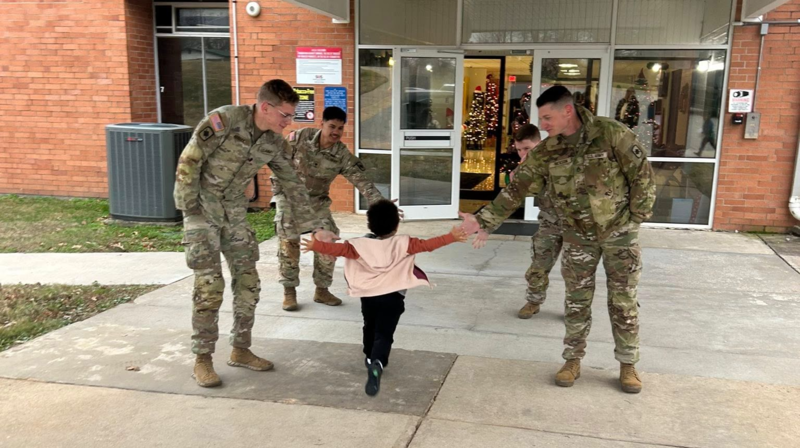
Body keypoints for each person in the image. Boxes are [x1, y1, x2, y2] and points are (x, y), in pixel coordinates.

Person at [459, 86, 655, 394]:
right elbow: (517, 188)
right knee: (576, 301)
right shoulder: (548, 149)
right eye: (541, 119)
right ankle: (572, 360)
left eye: (547, 117)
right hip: (578, 236)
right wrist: (484, 220)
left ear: (568, 110)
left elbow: (641, 175)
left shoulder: (611, 133)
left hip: (619, 234)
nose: (544, 125)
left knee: (623, 301)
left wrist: (636, 218)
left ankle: (628, 364)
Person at [174, 79, 337, 388]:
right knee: (210, 287)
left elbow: (292, 183)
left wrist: (316, 226)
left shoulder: (275, 142)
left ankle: (240, 349)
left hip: (235, 214)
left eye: (291, 116)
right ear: (265, 107)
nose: (289, 122)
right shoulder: (224, 121)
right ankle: (203, 359)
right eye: (285, 115)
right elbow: (190, 159)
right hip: (202, 211)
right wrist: (188, 209)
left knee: (249, 282)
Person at [300, 199, 468, 396]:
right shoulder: (405, 243)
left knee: (369, 324)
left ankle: (369, 356)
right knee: (385, 332)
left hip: (369, 296)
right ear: (396, 226)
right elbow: (429, 245)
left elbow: (337, 249)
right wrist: (451, 237)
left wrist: (316, 245)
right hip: (393, 298)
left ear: (369, 224)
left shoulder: (358, 245)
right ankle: (378, 361)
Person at [272, 106, 387, 311]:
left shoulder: (340, 153)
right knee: (289, 240)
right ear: (321, 123)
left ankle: (322, 290)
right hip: (289, 198)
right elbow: (277, 162)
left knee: (329, 238)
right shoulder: (299, 138)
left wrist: (379, 203)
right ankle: (289, 291)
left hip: (317, 202)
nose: (336, 132)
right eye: (332, 126)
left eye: (340, 128)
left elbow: (360, 179)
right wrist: (278, 194)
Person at [473, 124, 564, 319]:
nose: (522, 153)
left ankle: (576, 310)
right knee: (538, 264)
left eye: (527, 148)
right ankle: (534, 301)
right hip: (550, 222)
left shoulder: (558, 157)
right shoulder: (524, 168)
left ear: (539, 143)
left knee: (576, 271)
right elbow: (513, 198)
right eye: (519, 149)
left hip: (577, 223)